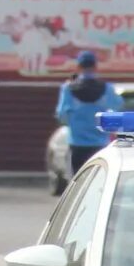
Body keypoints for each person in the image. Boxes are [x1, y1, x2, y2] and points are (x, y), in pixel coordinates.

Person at [55, 50, 114, 196]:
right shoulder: (106, 88)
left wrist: (74, 122)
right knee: (99, 184)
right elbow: (117, 106)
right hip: (100, 144)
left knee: (76, 185)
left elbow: (61, 115)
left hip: (77, 144)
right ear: (95, 67)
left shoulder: (68, 89)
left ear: (79, 67)